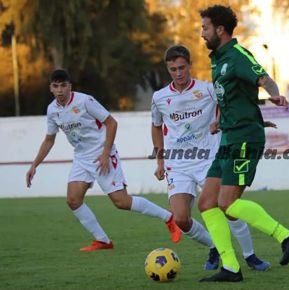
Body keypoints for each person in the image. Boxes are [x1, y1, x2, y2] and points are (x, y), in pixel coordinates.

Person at [197, 5, 289, 282]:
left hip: (244, 137)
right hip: (230, 136)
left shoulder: (237, 54)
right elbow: (235, 97)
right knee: (207, 202)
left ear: (220, 29)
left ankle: (286, 236)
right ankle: (231, 268)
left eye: (205, 28)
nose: (201, 33)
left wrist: (276, 96)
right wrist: (222, 119)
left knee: (228, 203)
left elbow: (264, 79)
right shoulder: (218, 59)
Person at [26, 69, 181, 251]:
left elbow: (111, 123)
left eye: (63, 86)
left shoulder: (85, 101)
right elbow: (49, 139)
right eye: (55, 86)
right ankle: (103, 241)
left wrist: (106, 153)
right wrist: (34, 165)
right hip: (82, 158)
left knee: (121, 202)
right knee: (73, 200)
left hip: (102, 153)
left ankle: (169, 218)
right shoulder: (52, 110)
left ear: (70, 87)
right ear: (50, 88)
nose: (60, 90)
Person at [151, 45, 270, 271]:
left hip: (209, 160)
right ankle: (215, 246)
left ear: (190, 65)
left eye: (182, 67)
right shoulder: (159, 97)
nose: (178, 73)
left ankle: (250, 255)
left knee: (228, 207)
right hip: (177, 164)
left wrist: (255, 121)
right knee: (181, 218)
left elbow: (232, 107)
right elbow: (156, 127)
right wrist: (160, 160)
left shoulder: (207, 90)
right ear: (168, 70)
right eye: (173, 69)